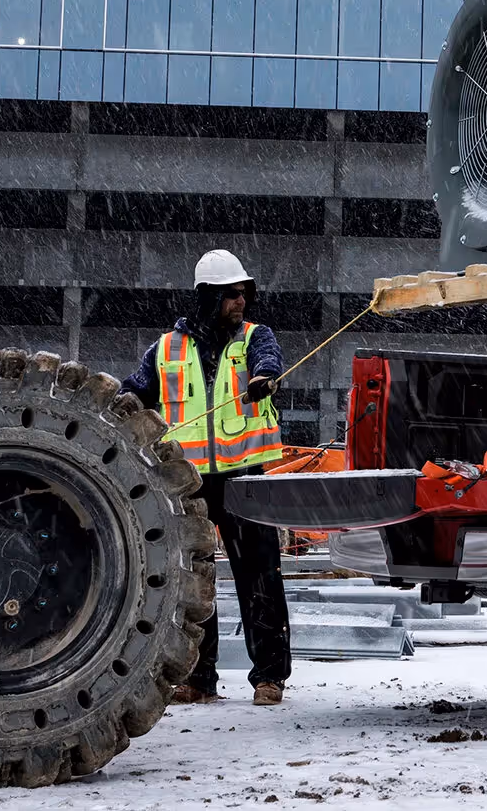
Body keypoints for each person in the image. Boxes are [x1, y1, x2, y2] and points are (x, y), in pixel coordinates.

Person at [121, 248, 292, 706]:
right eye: (231, 295)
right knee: (193, 581)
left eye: (243, 294)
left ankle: (269, 678)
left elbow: (269, 360)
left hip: (245, 476)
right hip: (187, 482)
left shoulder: (256, 338)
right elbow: (132, 394)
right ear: (207, 298)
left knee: (260, 575)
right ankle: (198, 678)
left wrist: (265, 379)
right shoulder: (165, 349)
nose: (241, 302)